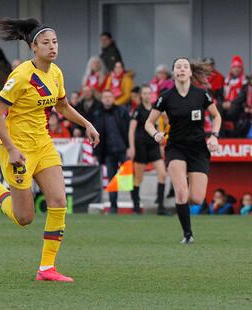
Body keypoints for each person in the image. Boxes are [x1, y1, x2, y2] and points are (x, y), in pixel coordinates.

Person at [0, 18, 99, 282]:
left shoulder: (56, 73)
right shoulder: (22, 75)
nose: (53, 47)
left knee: (59, 202)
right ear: (34, 48)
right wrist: (12, 148)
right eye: (46, 43)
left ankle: (46, 268)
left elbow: (62, 107)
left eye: (55, 42)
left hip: (43, 143)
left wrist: (87, 123)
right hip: (18, 150)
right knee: (24, 217)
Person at [145, 57, 222, 244]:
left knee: (196, 198)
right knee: (181, 191)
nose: (181, 69)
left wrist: (214, 135)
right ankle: (188, 235)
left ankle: (184, 204)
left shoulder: (201, 94)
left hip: (198, 148)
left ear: (190, 72)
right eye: (178, 67)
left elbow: (216, 116)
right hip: (176, 148)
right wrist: (156, 134)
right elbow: (148, 123)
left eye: (185, 67)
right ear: (174, 73)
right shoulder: (166, 96)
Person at [128, 84, 170, 215]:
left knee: (162, 174)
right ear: (141, 95)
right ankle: (135, 206)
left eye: (149, 93)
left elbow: (160, 126)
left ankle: (161, 206)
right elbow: (131, 130)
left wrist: (160, 146)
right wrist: (132, 147)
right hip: (140, 145)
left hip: (153, 145)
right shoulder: (138, 110)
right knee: (138, 177)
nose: (147, 95)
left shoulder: (155, 109)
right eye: (145, 93)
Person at [93, 89, 131, 213]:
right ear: (102, 99)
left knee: (129, 178)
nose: (107, 99)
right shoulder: (98, 114)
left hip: (123, 149)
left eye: (110, 96)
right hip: (108, 152)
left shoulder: (122, 111)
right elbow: (95, 135)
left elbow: (130, 130)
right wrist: (96, 154)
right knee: (112, 179)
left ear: (114, 98)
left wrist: (130, 147)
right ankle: (113, 207)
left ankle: (135, 205)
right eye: (105, 96)